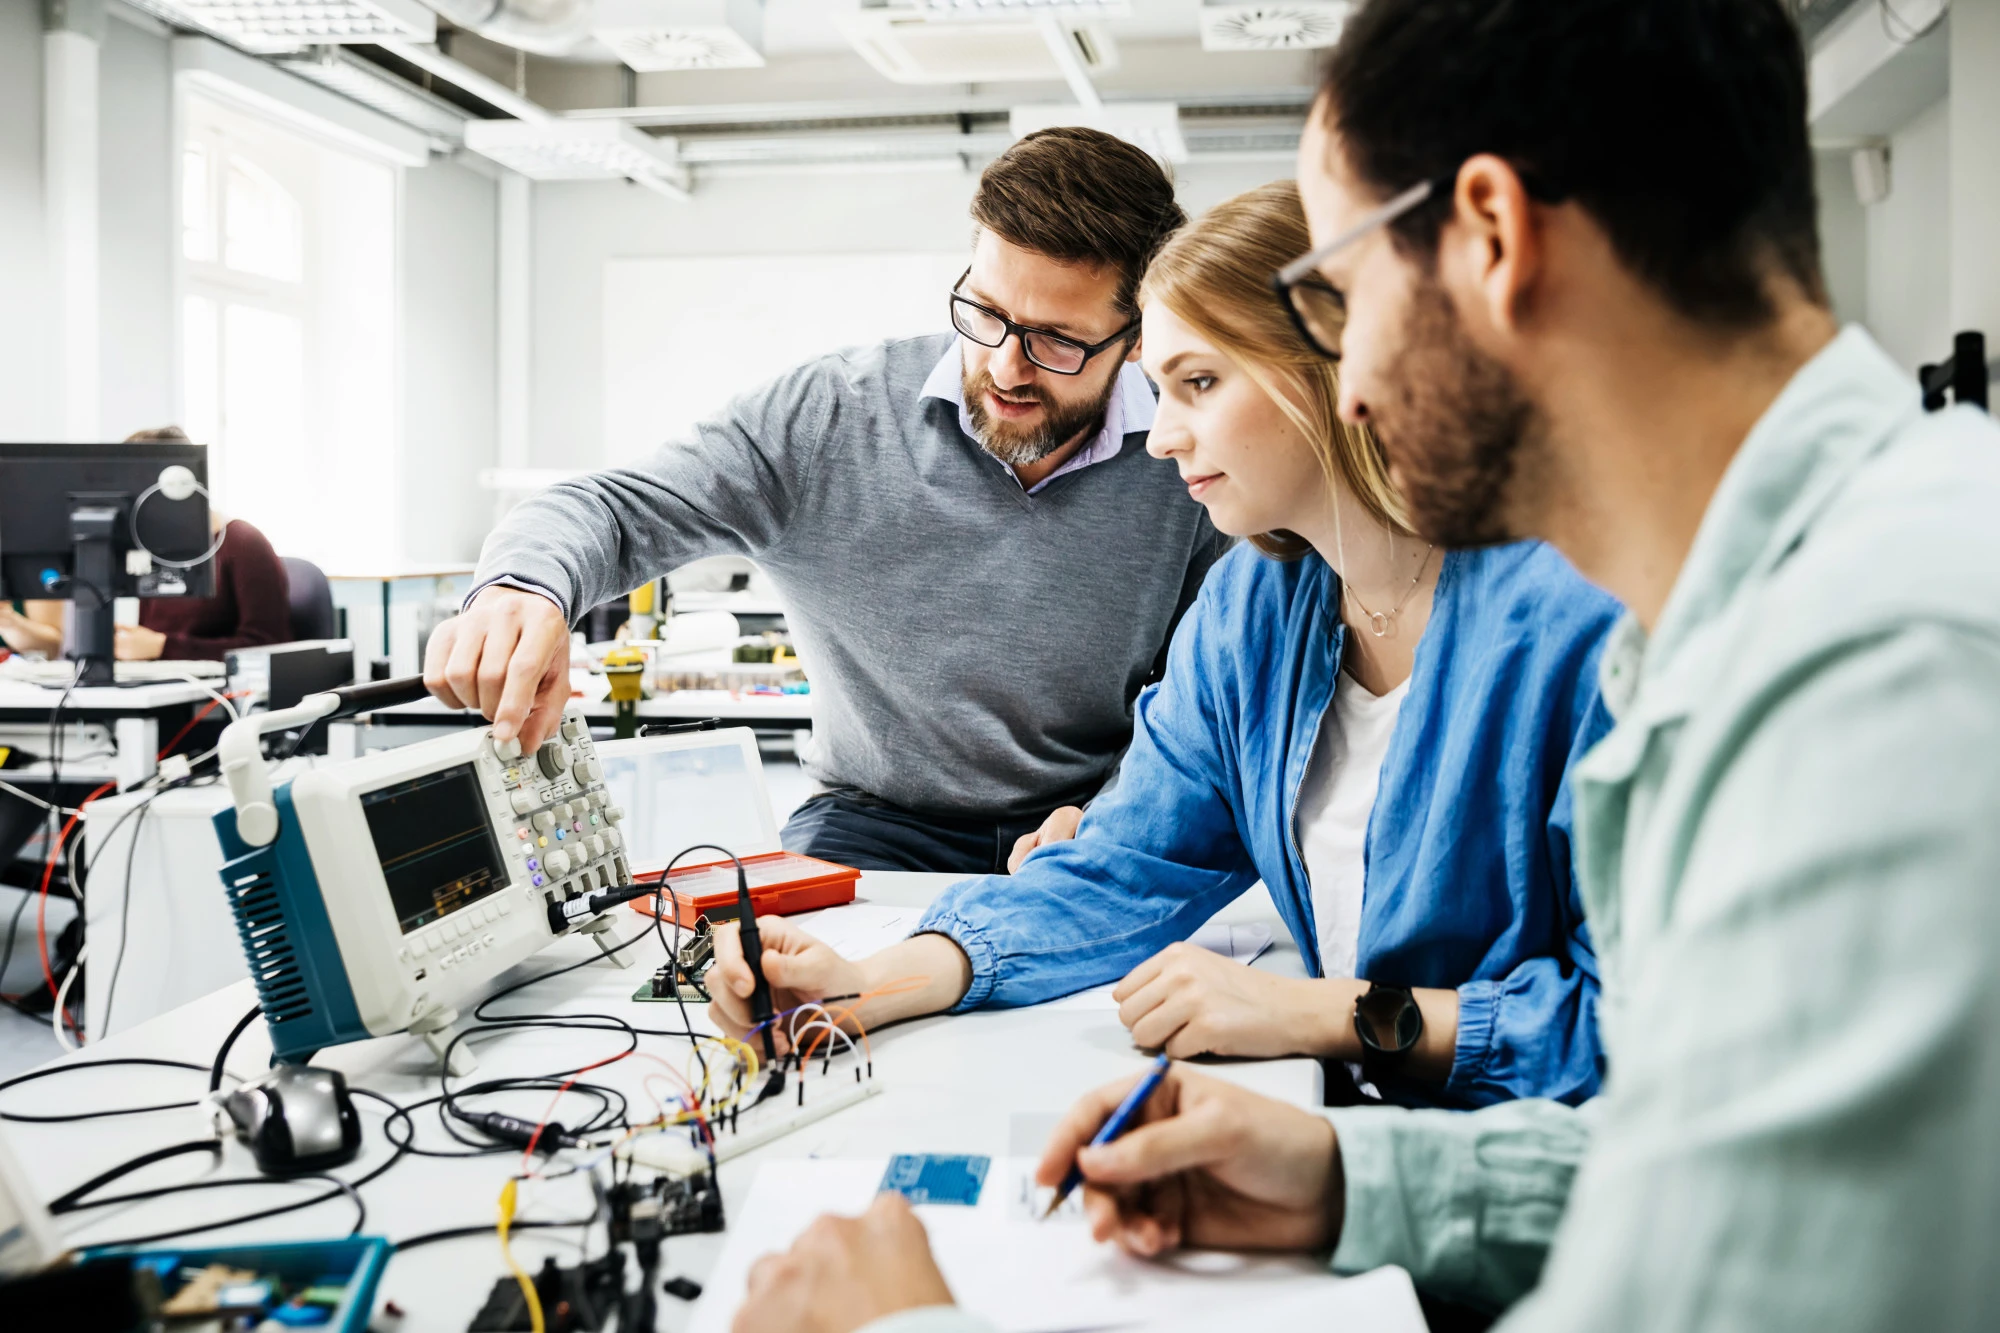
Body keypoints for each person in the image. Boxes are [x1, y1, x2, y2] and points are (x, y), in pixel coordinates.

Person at [728, 0, 2000, 1329]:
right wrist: (1349, 1175)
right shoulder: (1774, 610)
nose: (1349, 376)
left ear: (1494, 238)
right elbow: (1702, 1181)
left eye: (1339, 291)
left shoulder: (1881, 673)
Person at [706, 182, 1619, 1111]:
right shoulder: (1258, 607)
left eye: (1200, 382)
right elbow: (1124, 867)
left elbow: (1628, 1026)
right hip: (1362, 1135)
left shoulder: (1577, 621)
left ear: (1338, 365)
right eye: (1161, 388)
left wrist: (1330, 1015)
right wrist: (869, 986)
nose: (1161, 436)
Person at [425, 129, 1229, 875]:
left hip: (1094, 816)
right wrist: (520, 587)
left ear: (1135, 335)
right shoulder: (832, 417)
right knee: (775, 1004)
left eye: (1057, 340)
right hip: (868, 819)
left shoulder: (1188, 454)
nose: (1006, 366)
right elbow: (614, 507)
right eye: (984, 313)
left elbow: (1205, 692)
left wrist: (1122, 809)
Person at [0, 427, 291, 662]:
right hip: (145, 688)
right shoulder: (137, 549)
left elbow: (272, 646)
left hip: (211, 704)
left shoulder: (241, 543)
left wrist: (163, 648)